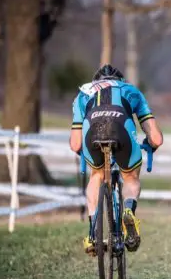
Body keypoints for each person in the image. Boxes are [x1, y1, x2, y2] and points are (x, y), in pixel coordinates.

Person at [69, 64, 164, 255]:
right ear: (120, 81)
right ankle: (128, 209)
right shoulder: (131, 91)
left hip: (92, 131)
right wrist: (150, 145)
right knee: (130, 177)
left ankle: (93, 233)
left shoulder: (83, 94)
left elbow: (76, 144)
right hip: (121, 130)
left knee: (96, 175)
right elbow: (156, 138)